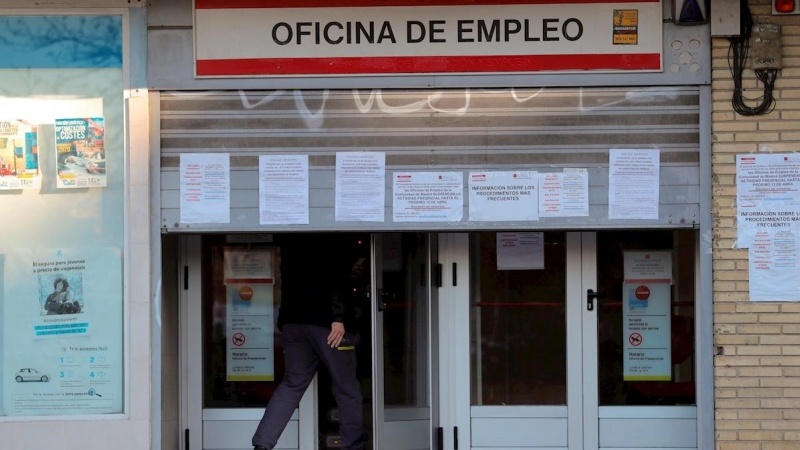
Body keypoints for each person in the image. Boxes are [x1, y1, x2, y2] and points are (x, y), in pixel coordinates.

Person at [252, 251, 366, 450]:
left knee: (292, 384)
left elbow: (286, 282)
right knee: (346, 388)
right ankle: (354, 447)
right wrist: (338, 318)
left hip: (293, 323)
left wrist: (283, 322)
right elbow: (335, 279)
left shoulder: (292, 238)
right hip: (328, 326)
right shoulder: (329, 236)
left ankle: (262, 444)